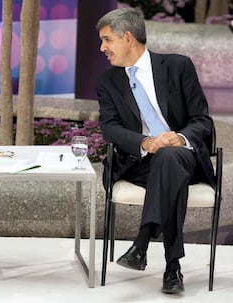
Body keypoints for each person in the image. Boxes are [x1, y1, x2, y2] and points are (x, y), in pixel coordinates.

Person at [96, 8, 215, 294]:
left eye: (107, 40)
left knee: (170, 157)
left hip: (182, 155)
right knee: (166, 165)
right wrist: (145, 142)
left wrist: (181, 137)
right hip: (139, 163)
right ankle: (171, 268)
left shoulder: (177, 67)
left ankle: (143, 241)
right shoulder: (107, 82)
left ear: (127, 38)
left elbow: (202, 120)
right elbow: (110, 129)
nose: (102, 48)